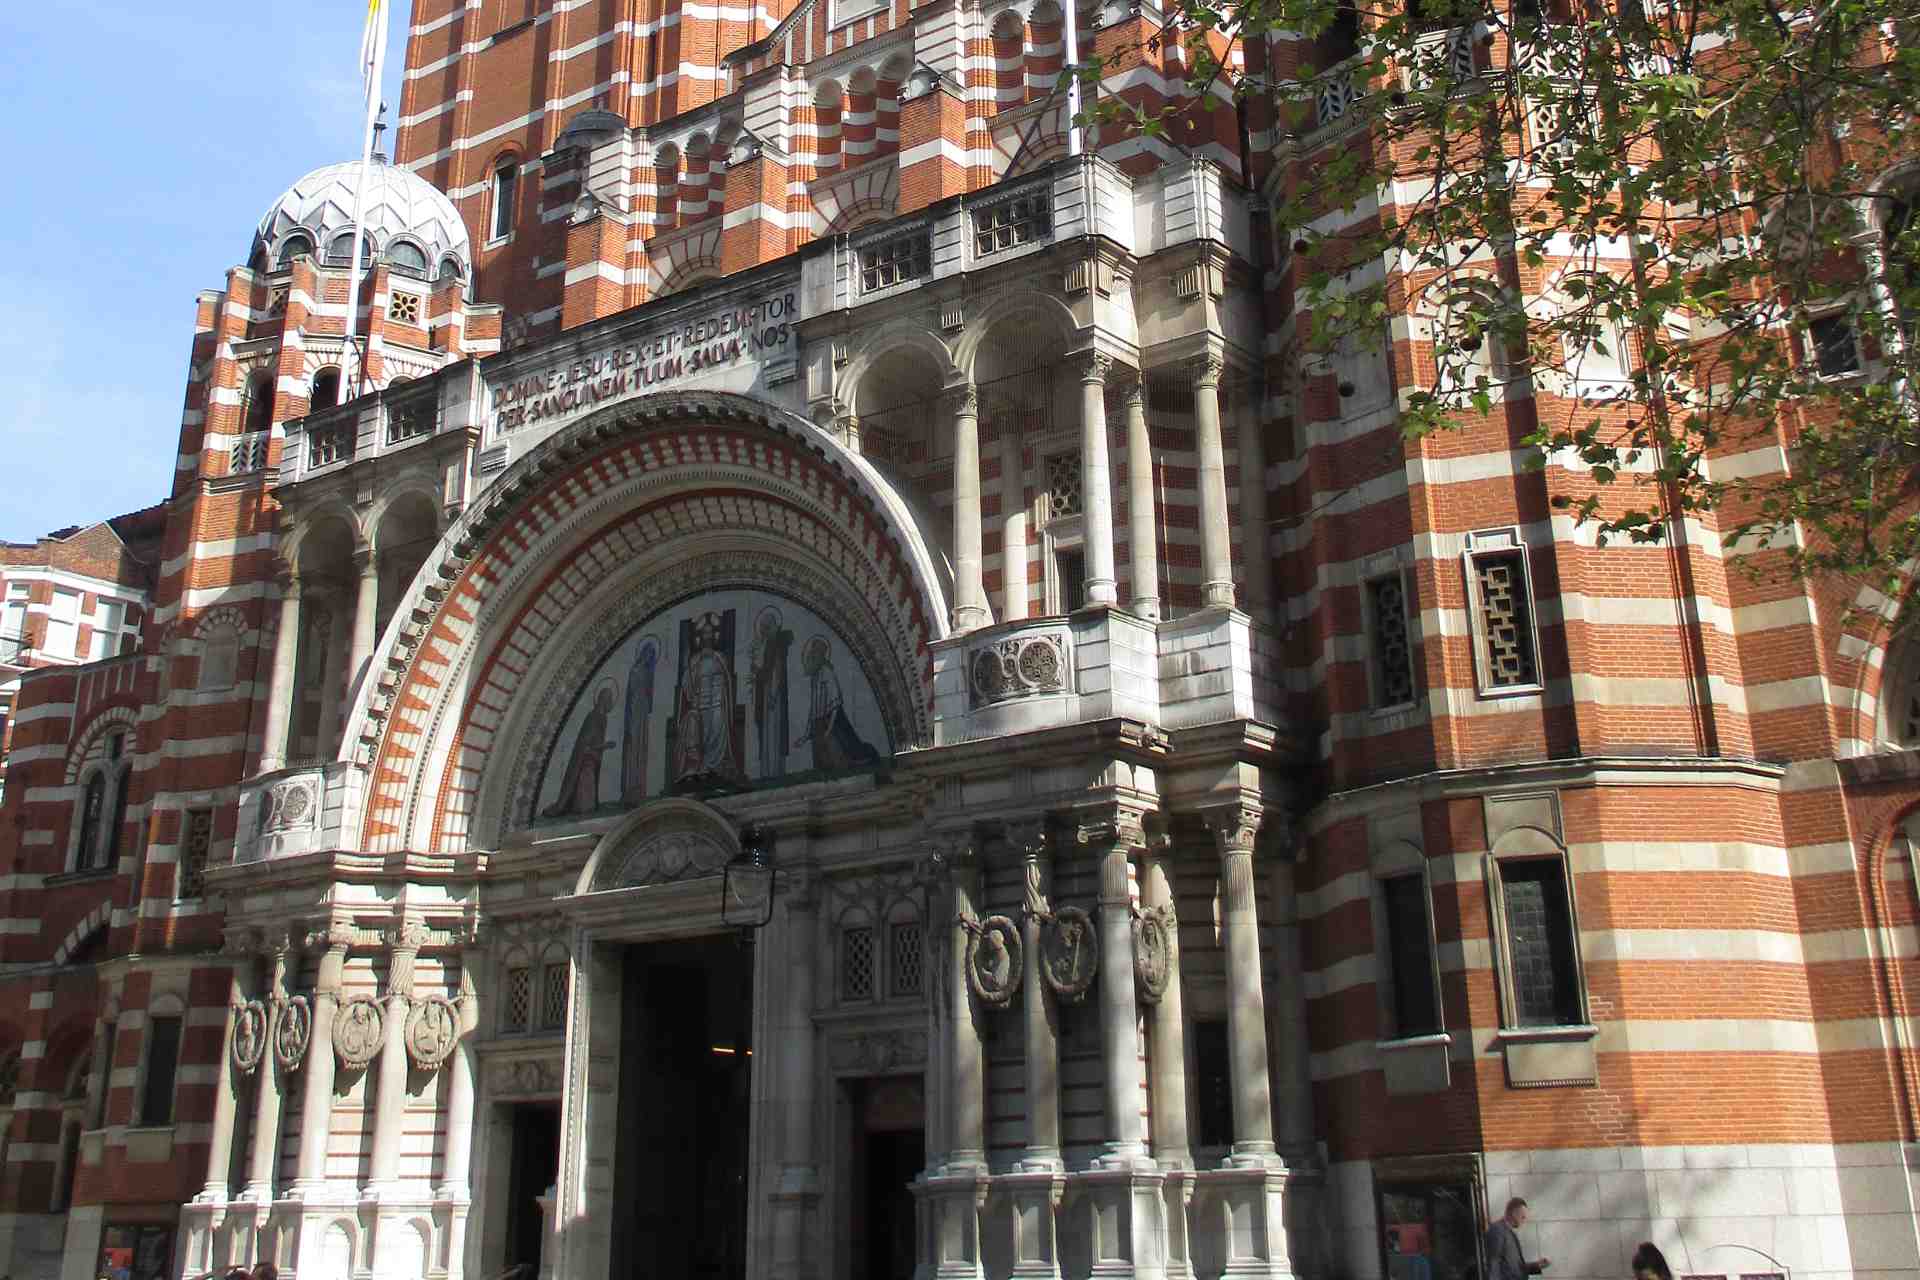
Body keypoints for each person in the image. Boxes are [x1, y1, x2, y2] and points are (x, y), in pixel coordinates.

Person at [1484, 1197, 1550, 1280]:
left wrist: (1536, 1265)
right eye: (1523, 1217)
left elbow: (1516, 1268)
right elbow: (1493, 1263)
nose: (1524, 1220)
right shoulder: (1497, 1230)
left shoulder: (1509, 1232)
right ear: (1514, 1213)